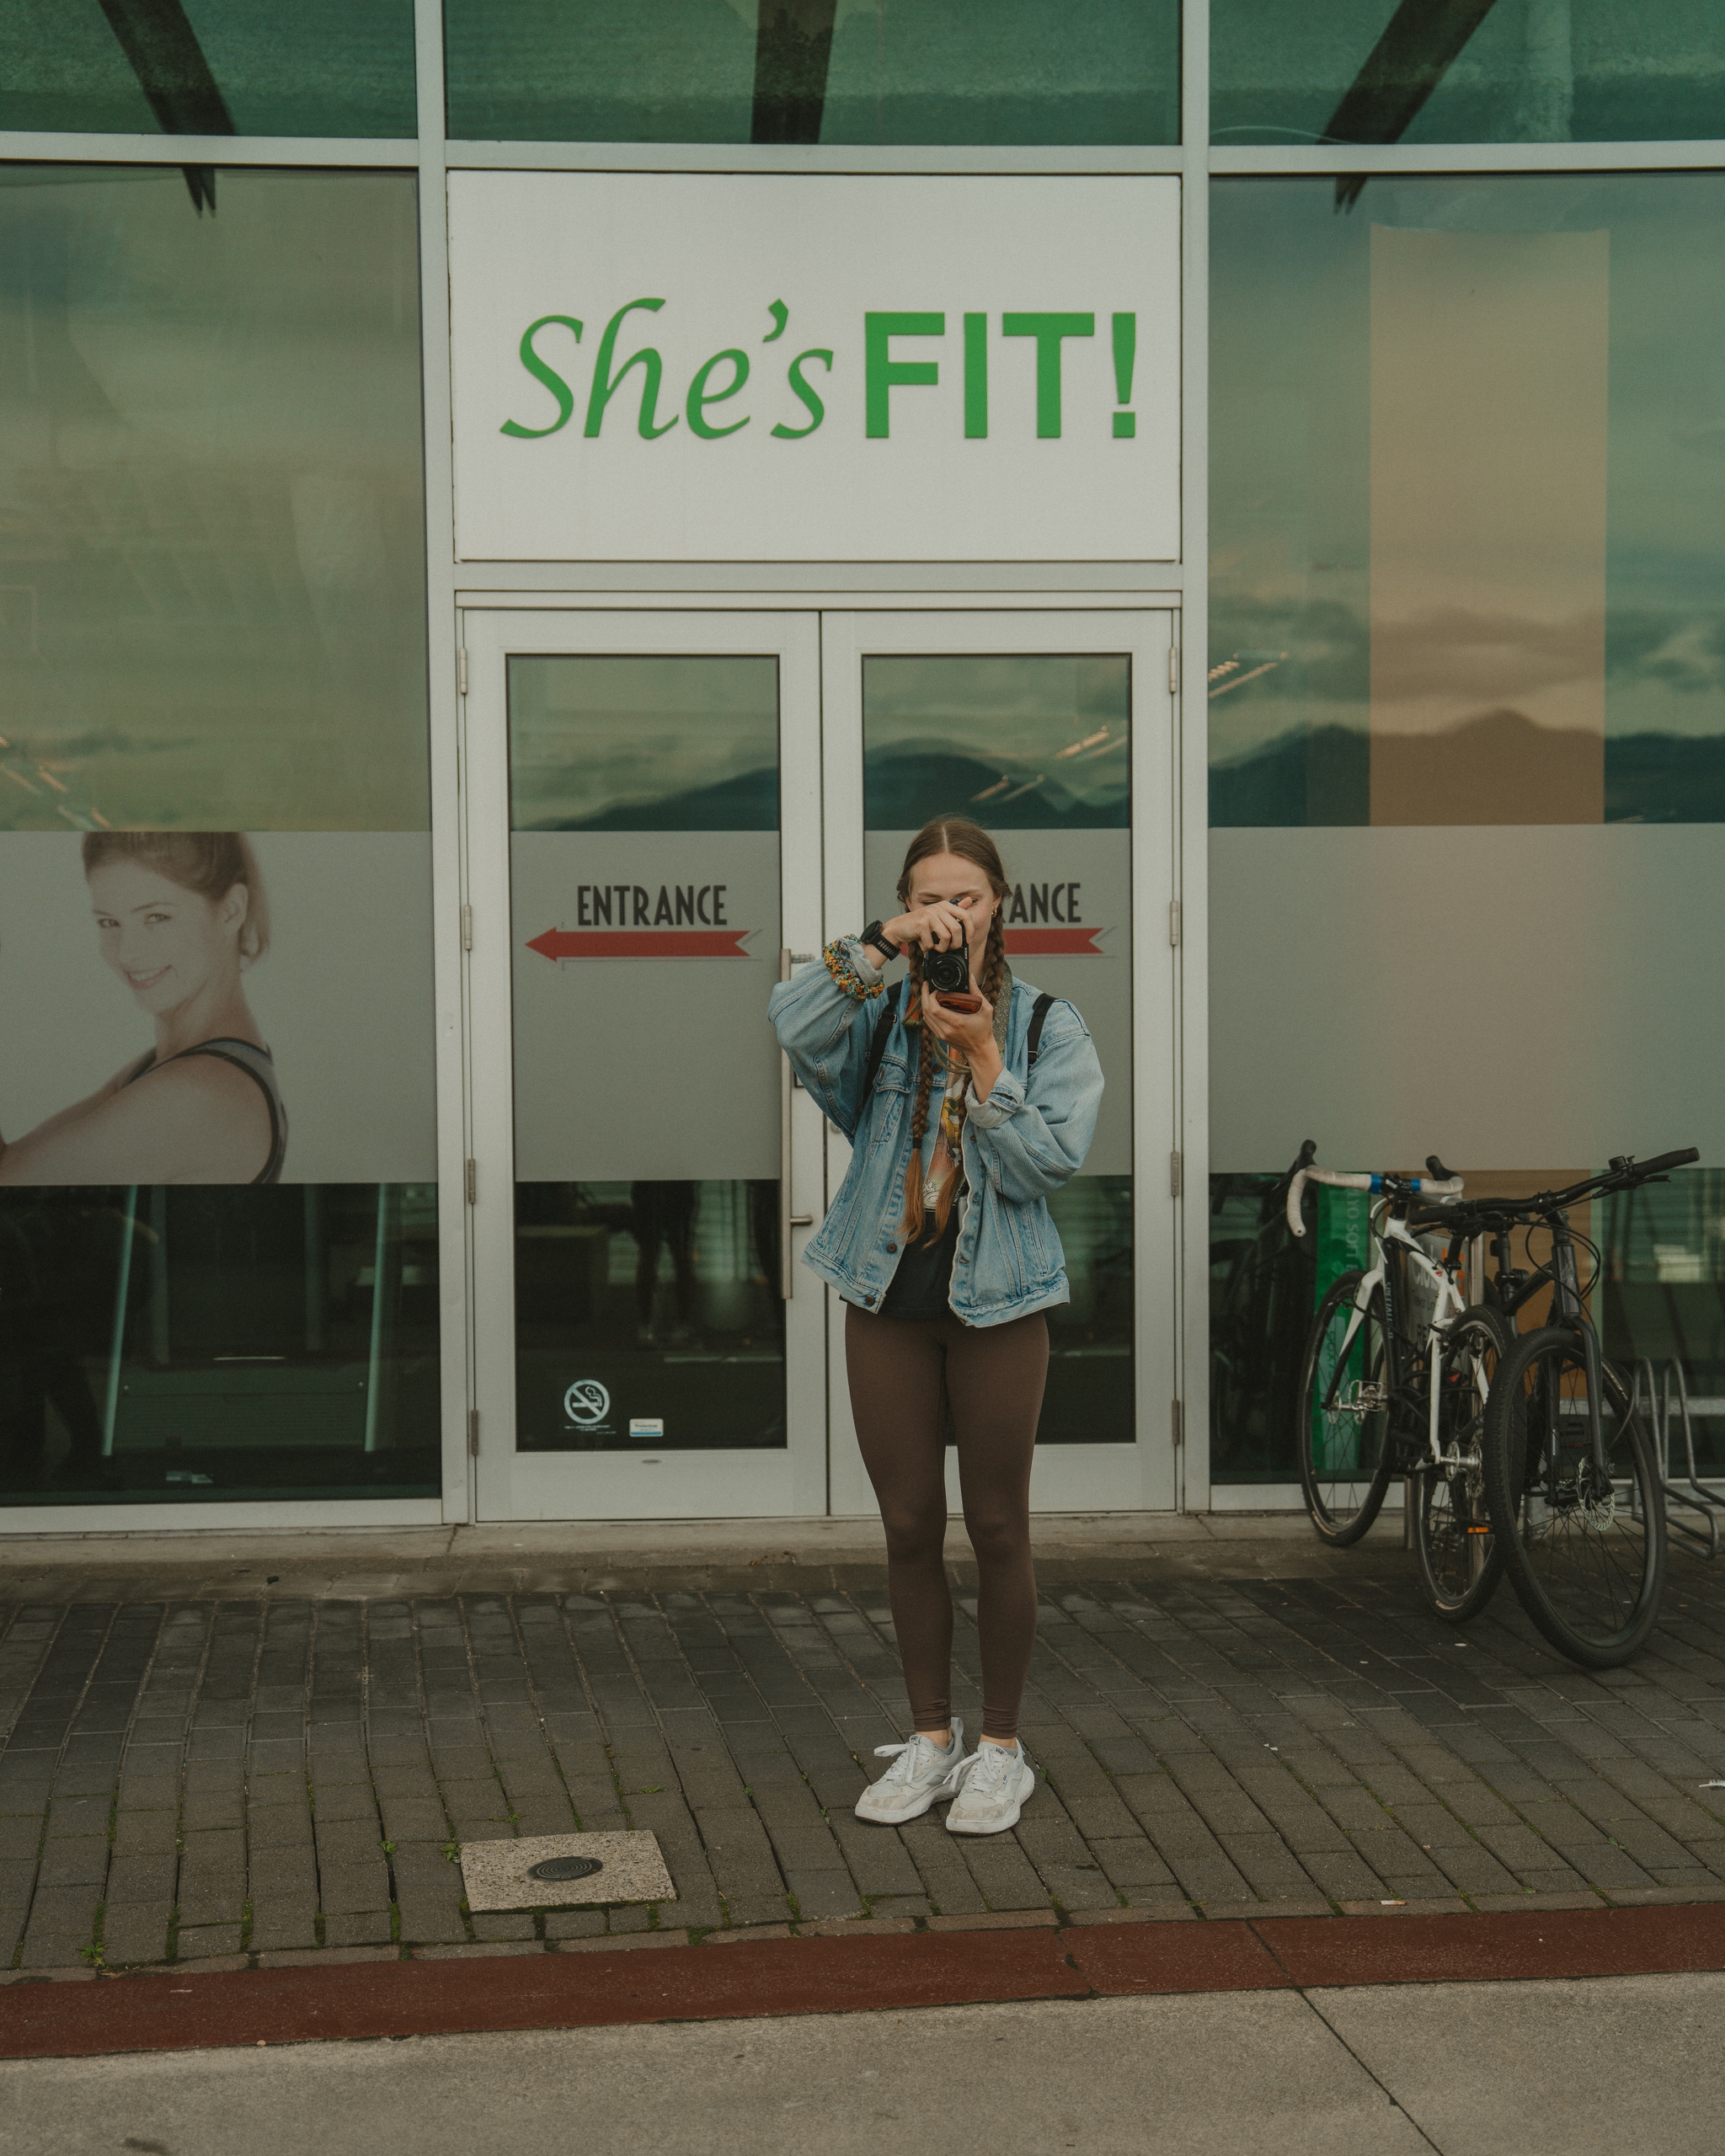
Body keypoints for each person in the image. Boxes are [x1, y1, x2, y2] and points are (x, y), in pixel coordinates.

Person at [769, 816, 1102, 1836]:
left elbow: (1048, 1165)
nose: (949, 913)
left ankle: (1000, 1749)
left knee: (997, 1525)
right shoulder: (873, 1019)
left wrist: (987, 1058)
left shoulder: (1049, 1029)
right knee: (909, 1525)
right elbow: (791, 1017)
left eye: (965, 895)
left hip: (999, 1302)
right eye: (929, 896)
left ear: (998, 902)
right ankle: (929, 1736)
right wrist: (880, 941)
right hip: (885, 1300)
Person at [0, 831, 287, 1187]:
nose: (127, 954)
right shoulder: (161, 1068)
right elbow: (12, 1161)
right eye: (110, 922)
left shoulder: (199, 1093)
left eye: (156, 918)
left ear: (231, 911)